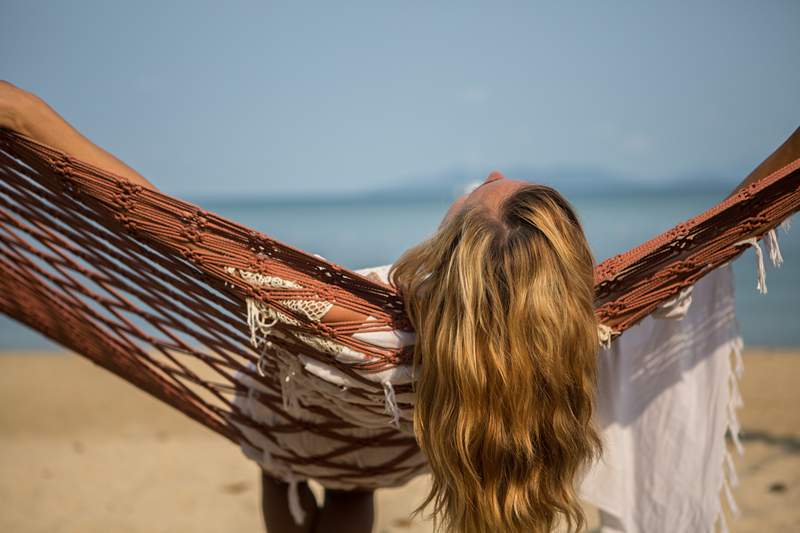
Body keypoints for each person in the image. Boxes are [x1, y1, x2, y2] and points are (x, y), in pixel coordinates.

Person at [1, 80, 797, 533]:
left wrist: (25, 116)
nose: (488, 170)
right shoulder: (570, 324)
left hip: (288, 425)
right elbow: (731, 219)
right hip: (408, 444)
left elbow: (156, 219)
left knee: (290, 470)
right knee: (353, 487)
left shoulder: (356, 323)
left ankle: (282, 487)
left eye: (480, 191)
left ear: (447, 249)